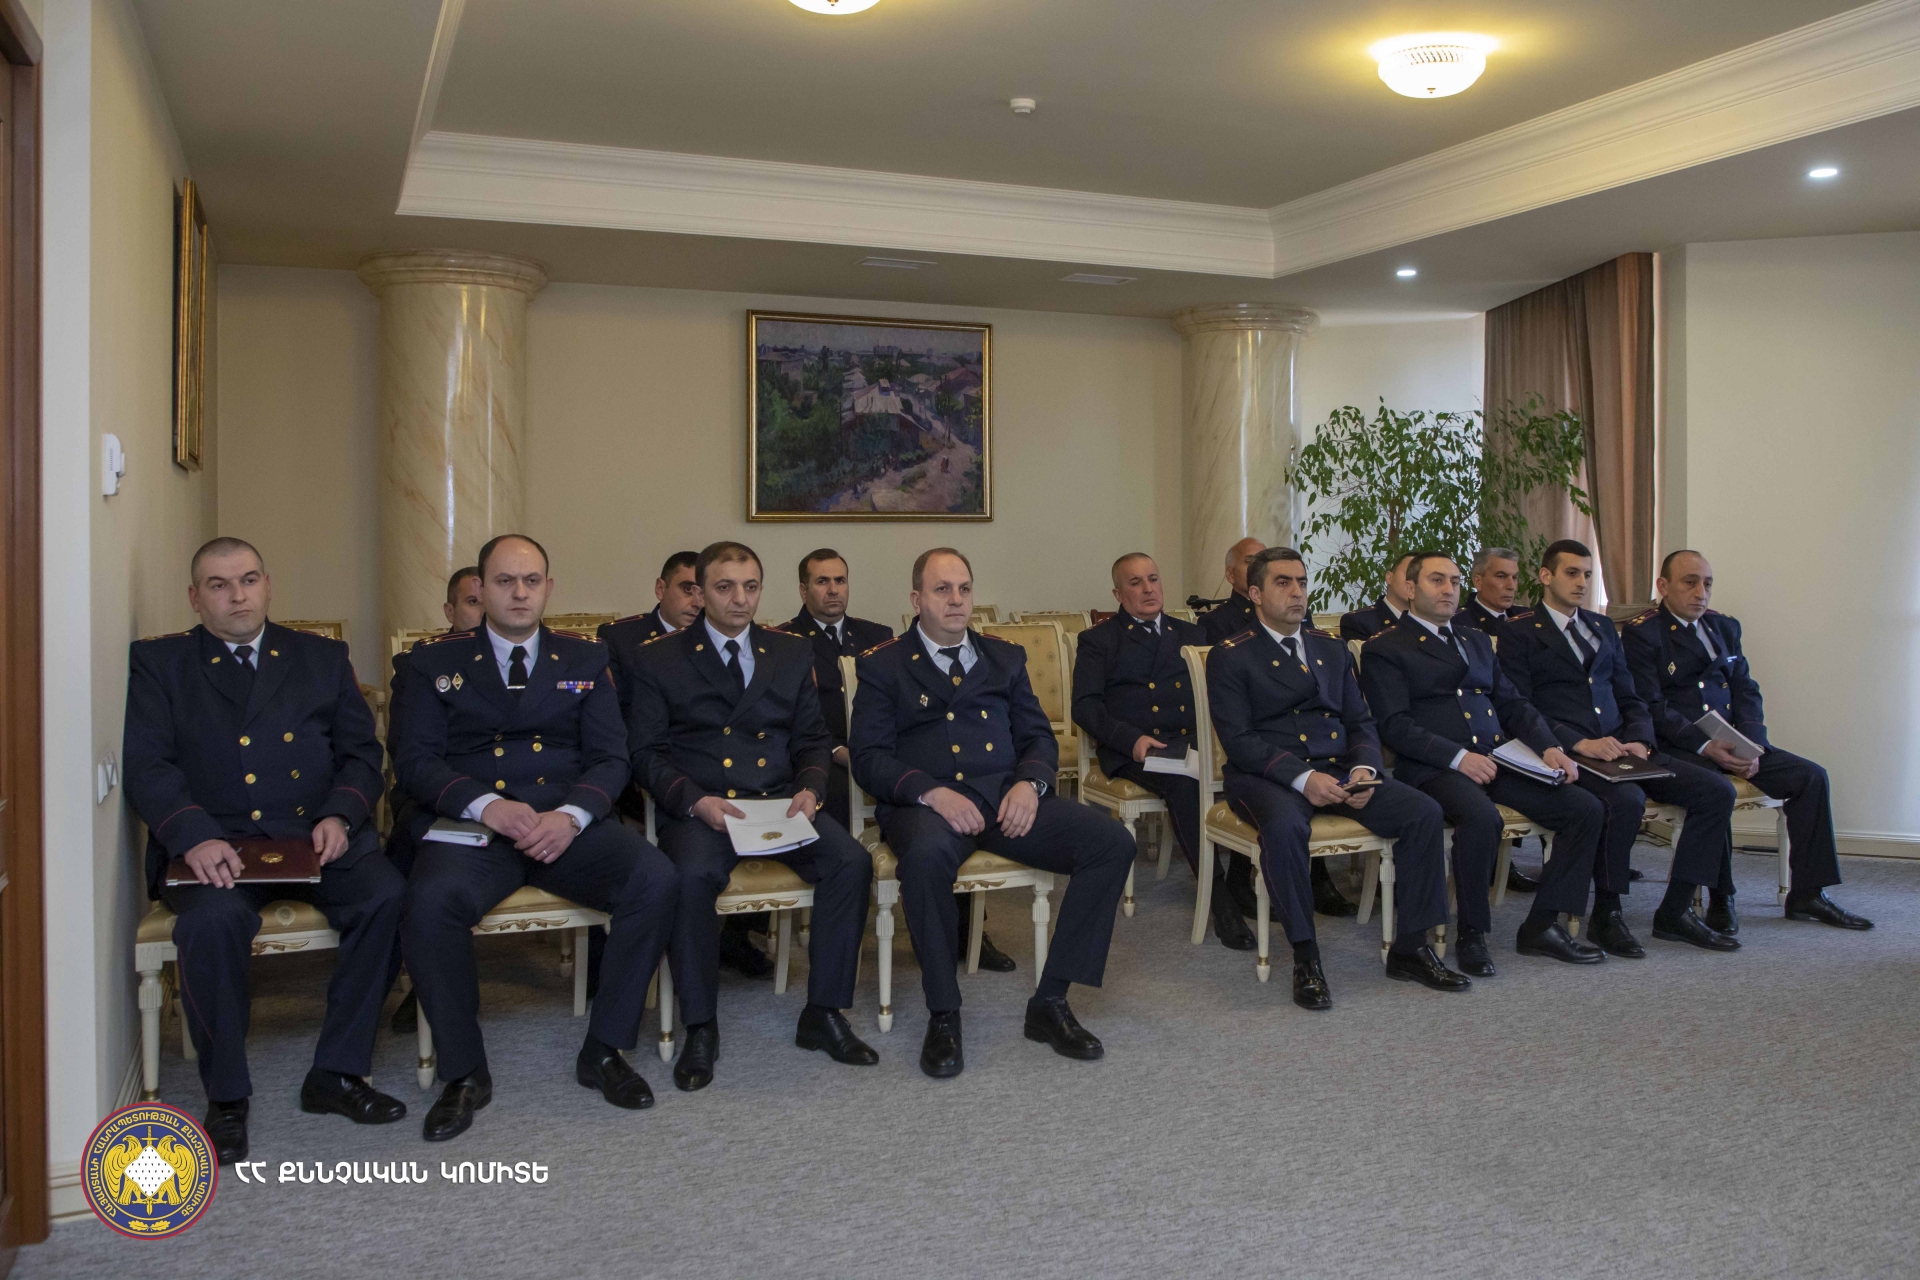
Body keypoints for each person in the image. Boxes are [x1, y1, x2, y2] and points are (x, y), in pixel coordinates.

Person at [122, 537, 407, 1164]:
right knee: (212, 924)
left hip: (313, 835)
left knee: (386, 896)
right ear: (195, 597)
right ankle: (226, 1098)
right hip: (217, 844)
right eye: (219, 585)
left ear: (268, 585)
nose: (238, 596)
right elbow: (147, 764)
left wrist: (341, 813)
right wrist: (192, 835)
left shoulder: (320, 656)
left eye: (249, 580)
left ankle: (337, 1072)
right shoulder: (161, 663)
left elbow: (362, 754)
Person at [394, 534, 676, 1141]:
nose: (519, 593)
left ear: (549, 588)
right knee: (430, 902)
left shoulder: (584, 659)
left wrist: (571, 816)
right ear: (480, 588)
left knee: (654, 879)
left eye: (531, 581)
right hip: (477, 828)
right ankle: (463, 1073)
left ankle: (605, 1050)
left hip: (561, 824)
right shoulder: (431, 663)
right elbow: (415, 761)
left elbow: (611, 758)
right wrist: (488, 805)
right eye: (504, 582)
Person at [852, 548, 1135, 1079]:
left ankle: (1050, 1001)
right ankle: (944, 1013)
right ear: (916, 599)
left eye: (964, 588)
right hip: (928, 806)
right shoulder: (883, 664)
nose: (956, 600)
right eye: (942, 589)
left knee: (1111, 843)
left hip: (1005, 797)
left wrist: (1031, 784)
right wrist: (931, 793)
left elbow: (1037, 737)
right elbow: (868, 758)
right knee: (926, 859)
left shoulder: (1004, 658)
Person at [629, 541, 879, 1092]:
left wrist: (811, 789)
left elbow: (812, 739)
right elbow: (645, 753)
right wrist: (694, 801)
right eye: (724, 587)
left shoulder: (788, 651)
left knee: (851, 863)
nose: (739, 599)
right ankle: (700, 1025)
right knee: (689, 877)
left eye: (750, 587)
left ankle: (824, 1013)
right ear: (701, 591)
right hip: (705, 807)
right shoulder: (659, 657)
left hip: (777, 802)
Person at [1205, 547, 1467, 1010]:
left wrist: (1365, 767)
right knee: (1285, 828)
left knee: (1423, 812)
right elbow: (1240, 740)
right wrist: (1303, 778)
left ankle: (1411, 948)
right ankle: (1306, 956)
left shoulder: (1330, 648)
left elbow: (1361, 721)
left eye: (1302, 582)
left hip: (1340, 770)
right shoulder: (1232, 655)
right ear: (1255, 594)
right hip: (1268, 775)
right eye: (1283, 582)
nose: (1297, 592)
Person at [1360, 552, 1606, 972]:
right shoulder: (1386, 647)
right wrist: (1458, 758)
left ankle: (1542, 926)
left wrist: (1548, 746)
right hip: (1434, 767)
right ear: (1410, 588)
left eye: (1455, 582)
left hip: (1496, 758)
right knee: (1481, 818)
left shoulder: (1475, 640)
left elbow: (1512, 703)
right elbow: (1394, 726)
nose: (1448, 590)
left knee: (1584, 808)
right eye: (1437, 580)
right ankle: (1472, 934)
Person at [1499, 540, 1740, 955]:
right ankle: (1607, 914)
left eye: (1587, 575)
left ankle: (1676, 910)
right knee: (1625, 800)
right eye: (1571, 573)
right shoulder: (1519, 631)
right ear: (1545, 576)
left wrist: (1640, 739)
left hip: (1622, 746)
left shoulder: (1602, 626)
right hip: (1571, 750)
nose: (1581, 582)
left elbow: (1631, 696)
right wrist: (1578, 742)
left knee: (1716, 791)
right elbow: (1519, 706)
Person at [787, 549, 1017, 970]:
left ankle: (964, 931)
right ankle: (844, 924)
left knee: (952, 791)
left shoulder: (874, 634)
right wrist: (837, 751)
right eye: (822, 581)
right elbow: (796, 719)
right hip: (826, 755)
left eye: (840, 580)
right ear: (804, 590)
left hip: (884, 753)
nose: (833, 589)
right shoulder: (788, 641)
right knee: (837, 801)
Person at [1622, 550, 1871, 930]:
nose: (1701, 592)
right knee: (1714, 787)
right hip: (1681, 745)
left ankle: (1808, 894)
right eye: (1690, 582)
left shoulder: (1724, 627)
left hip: (1732, 740)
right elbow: (1650, 705)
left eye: (1707, 583)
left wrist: (1752, 744)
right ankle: (1722, 897)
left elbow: (1746, 689)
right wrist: (1706, 745)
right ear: (1663, 585)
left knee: (1811, 777)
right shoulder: (1643, 632)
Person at [1072, 552, 1255, 950]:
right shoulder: (1099, 640)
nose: (1148, 589)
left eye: (1153, 579)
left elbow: (1219, 694)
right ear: (1118, 594)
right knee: (1184, 786)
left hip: (1192, 742)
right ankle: (1219, 897)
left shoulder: (1191, 633)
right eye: (1135, 582)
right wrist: (1130, 740)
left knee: (1248, 773)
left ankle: (1243, 879)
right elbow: (1085, 707)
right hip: (1137, 748)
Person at [601, 552, 770, 980]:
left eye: (702, 590)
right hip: (647, 770)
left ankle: (736, 934)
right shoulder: (627, 641)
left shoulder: (747, 642)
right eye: (686, 589)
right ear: (661, 590)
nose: (696, 600)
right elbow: (614, 719)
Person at [385, 565, 484, 1034]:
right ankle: (420, 980)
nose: (484, 612)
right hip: (435, 795)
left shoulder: (527, 660)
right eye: (472, 602)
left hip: (511, 797)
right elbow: (407, 753)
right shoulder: (419, 666)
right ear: (449, 611)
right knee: (411, 852)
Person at [1200, 537, 1264, 645]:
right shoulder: (1216, 621)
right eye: (1249, 562)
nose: (1259, 568)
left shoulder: (1281, 612)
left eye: (1264, 562)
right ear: (1230, 574)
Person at [1338, 554, 1414, 641]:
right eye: (1409, 575)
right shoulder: (1358, 622)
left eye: (1419, 579)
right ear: (1389, 577)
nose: (1414, 583)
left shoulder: (1425, 622)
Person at [1461, 546, 1522, 636]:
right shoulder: (1457, 622)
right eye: (1501, 576)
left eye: (1514, 577)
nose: (1511, 586)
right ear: (1478, 582)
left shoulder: (1528, 618)